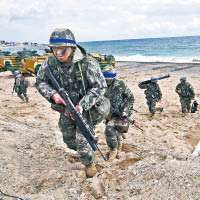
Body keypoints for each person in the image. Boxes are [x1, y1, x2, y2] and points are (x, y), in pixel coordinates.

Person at [35, 28, 110, 178]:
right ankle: (86, 151)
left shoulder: (87, 63)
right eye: (54, 49)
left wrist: (83, 105)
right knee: (69, 139)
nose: (57, 53)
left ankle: (90, 164)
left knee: (83, 141)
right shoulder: (50, 63)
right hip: (66, 109)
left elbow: (100, 86)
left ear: (72, 47)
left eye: (62, 49)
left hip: (87, 108)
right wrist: (53, 95)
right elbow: (40, 81)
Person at [102, 65, 134, 162]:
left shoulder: (120, 85)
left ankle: (113, 150)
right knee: (113, 130)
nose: (107, 81)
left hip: (120, 112)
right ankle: (119, 142)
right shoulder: (98, 85)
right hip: (107, 113)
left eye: (109, 79)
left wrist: (125, 111)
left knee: (109, 129)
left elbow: (130, 98)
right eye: (105, 79)